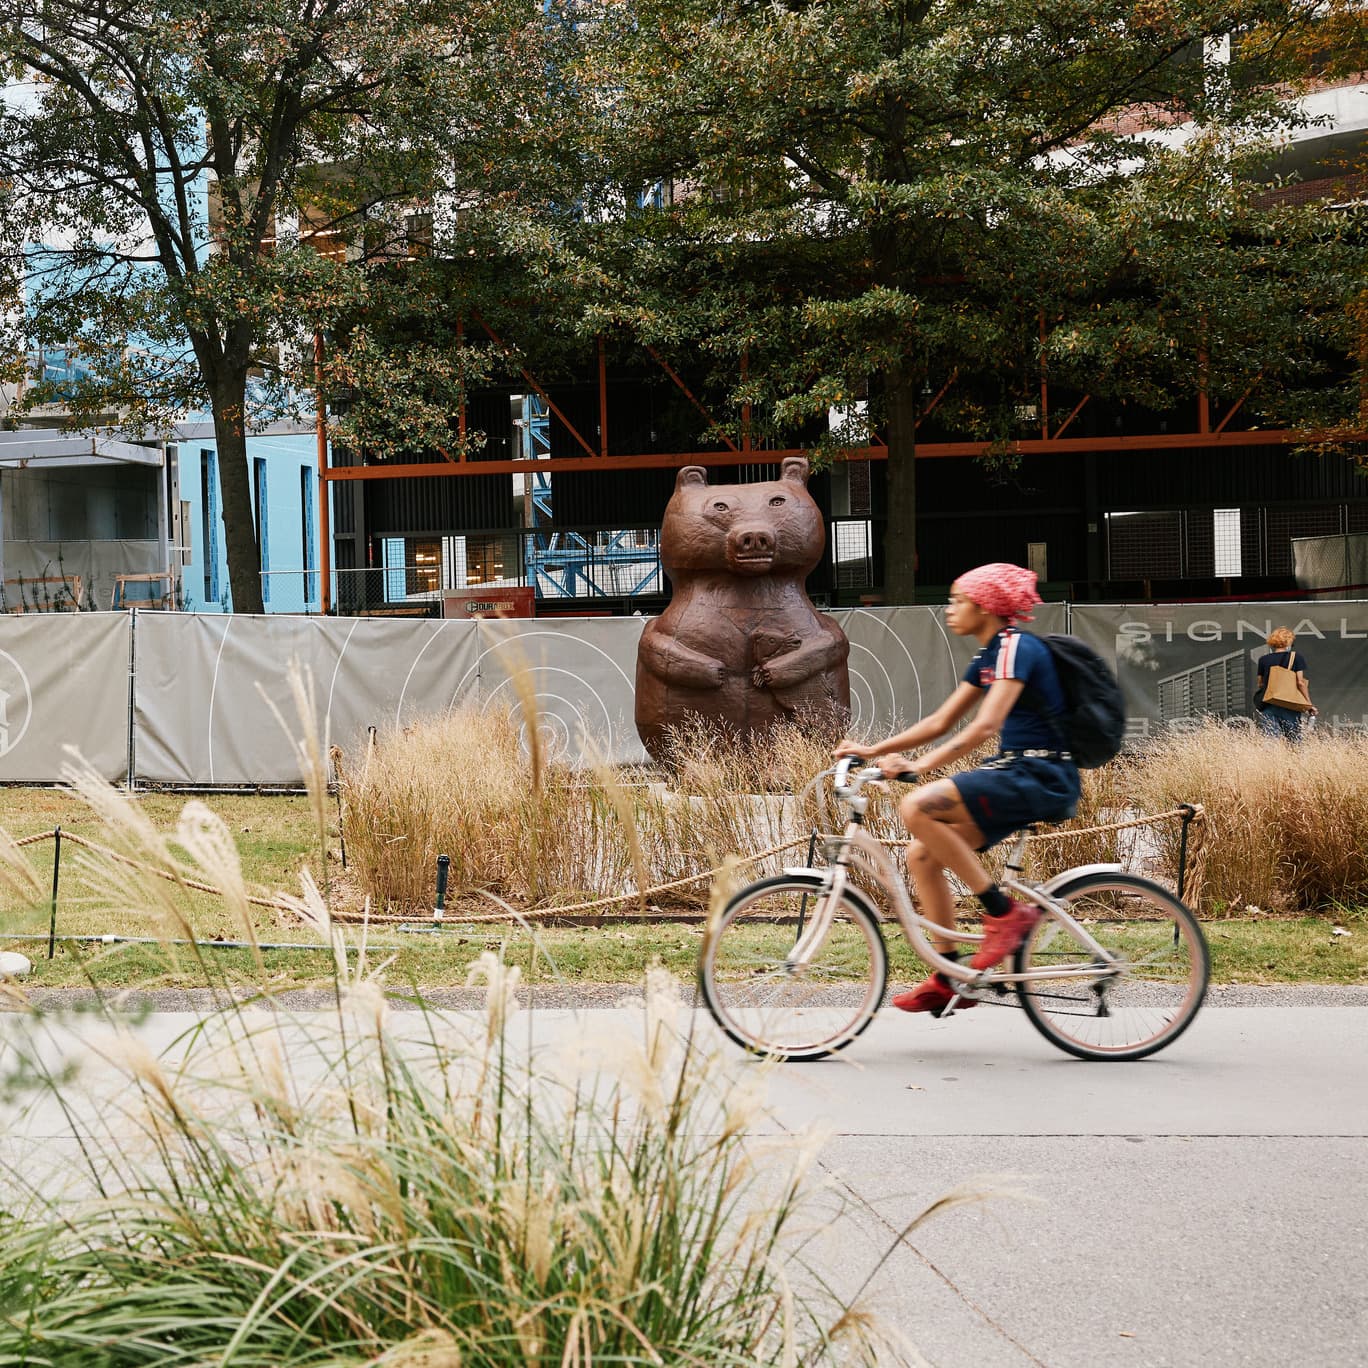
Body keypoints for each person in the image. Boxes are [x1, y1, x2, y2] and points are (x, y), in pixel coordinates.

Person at [834, 562, 1080, 1017]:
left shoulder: (1014, 647)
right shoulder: (989, 656)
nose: (950, 609)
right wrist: (871, 750)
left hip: (1038, 774)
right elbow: (940, 722)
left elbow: (984, 726)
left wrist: (920, 767)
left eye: (957, 600)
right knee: (920, 854)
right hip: (1016, 773)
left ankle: (1004, 914)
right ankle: (949, 976)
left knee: (917, 808)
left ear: (985, 607)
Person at [1253, 626, 1316, 741]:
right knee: (1294, 741)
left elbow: (1260, 684)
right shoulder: (1296, 657)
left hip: (1269, 704)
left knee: (1270, 741)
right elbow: (1300, 682)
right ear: (1289, 641)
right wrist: (1309, 704)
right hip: (1289, 704)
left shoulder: (1263, 660)